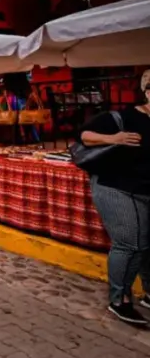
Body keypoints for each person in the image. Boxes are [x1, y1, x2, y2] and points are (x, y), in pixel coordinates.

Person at [79, 69, 150, 325]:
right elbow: (85, 136)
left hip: (144, 188)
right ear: (148, 92)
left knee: (147, 244)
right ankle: (119, 300)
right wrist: (115, 138)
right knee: (131, 243)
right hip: (115, 187)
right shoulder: (124, 116)